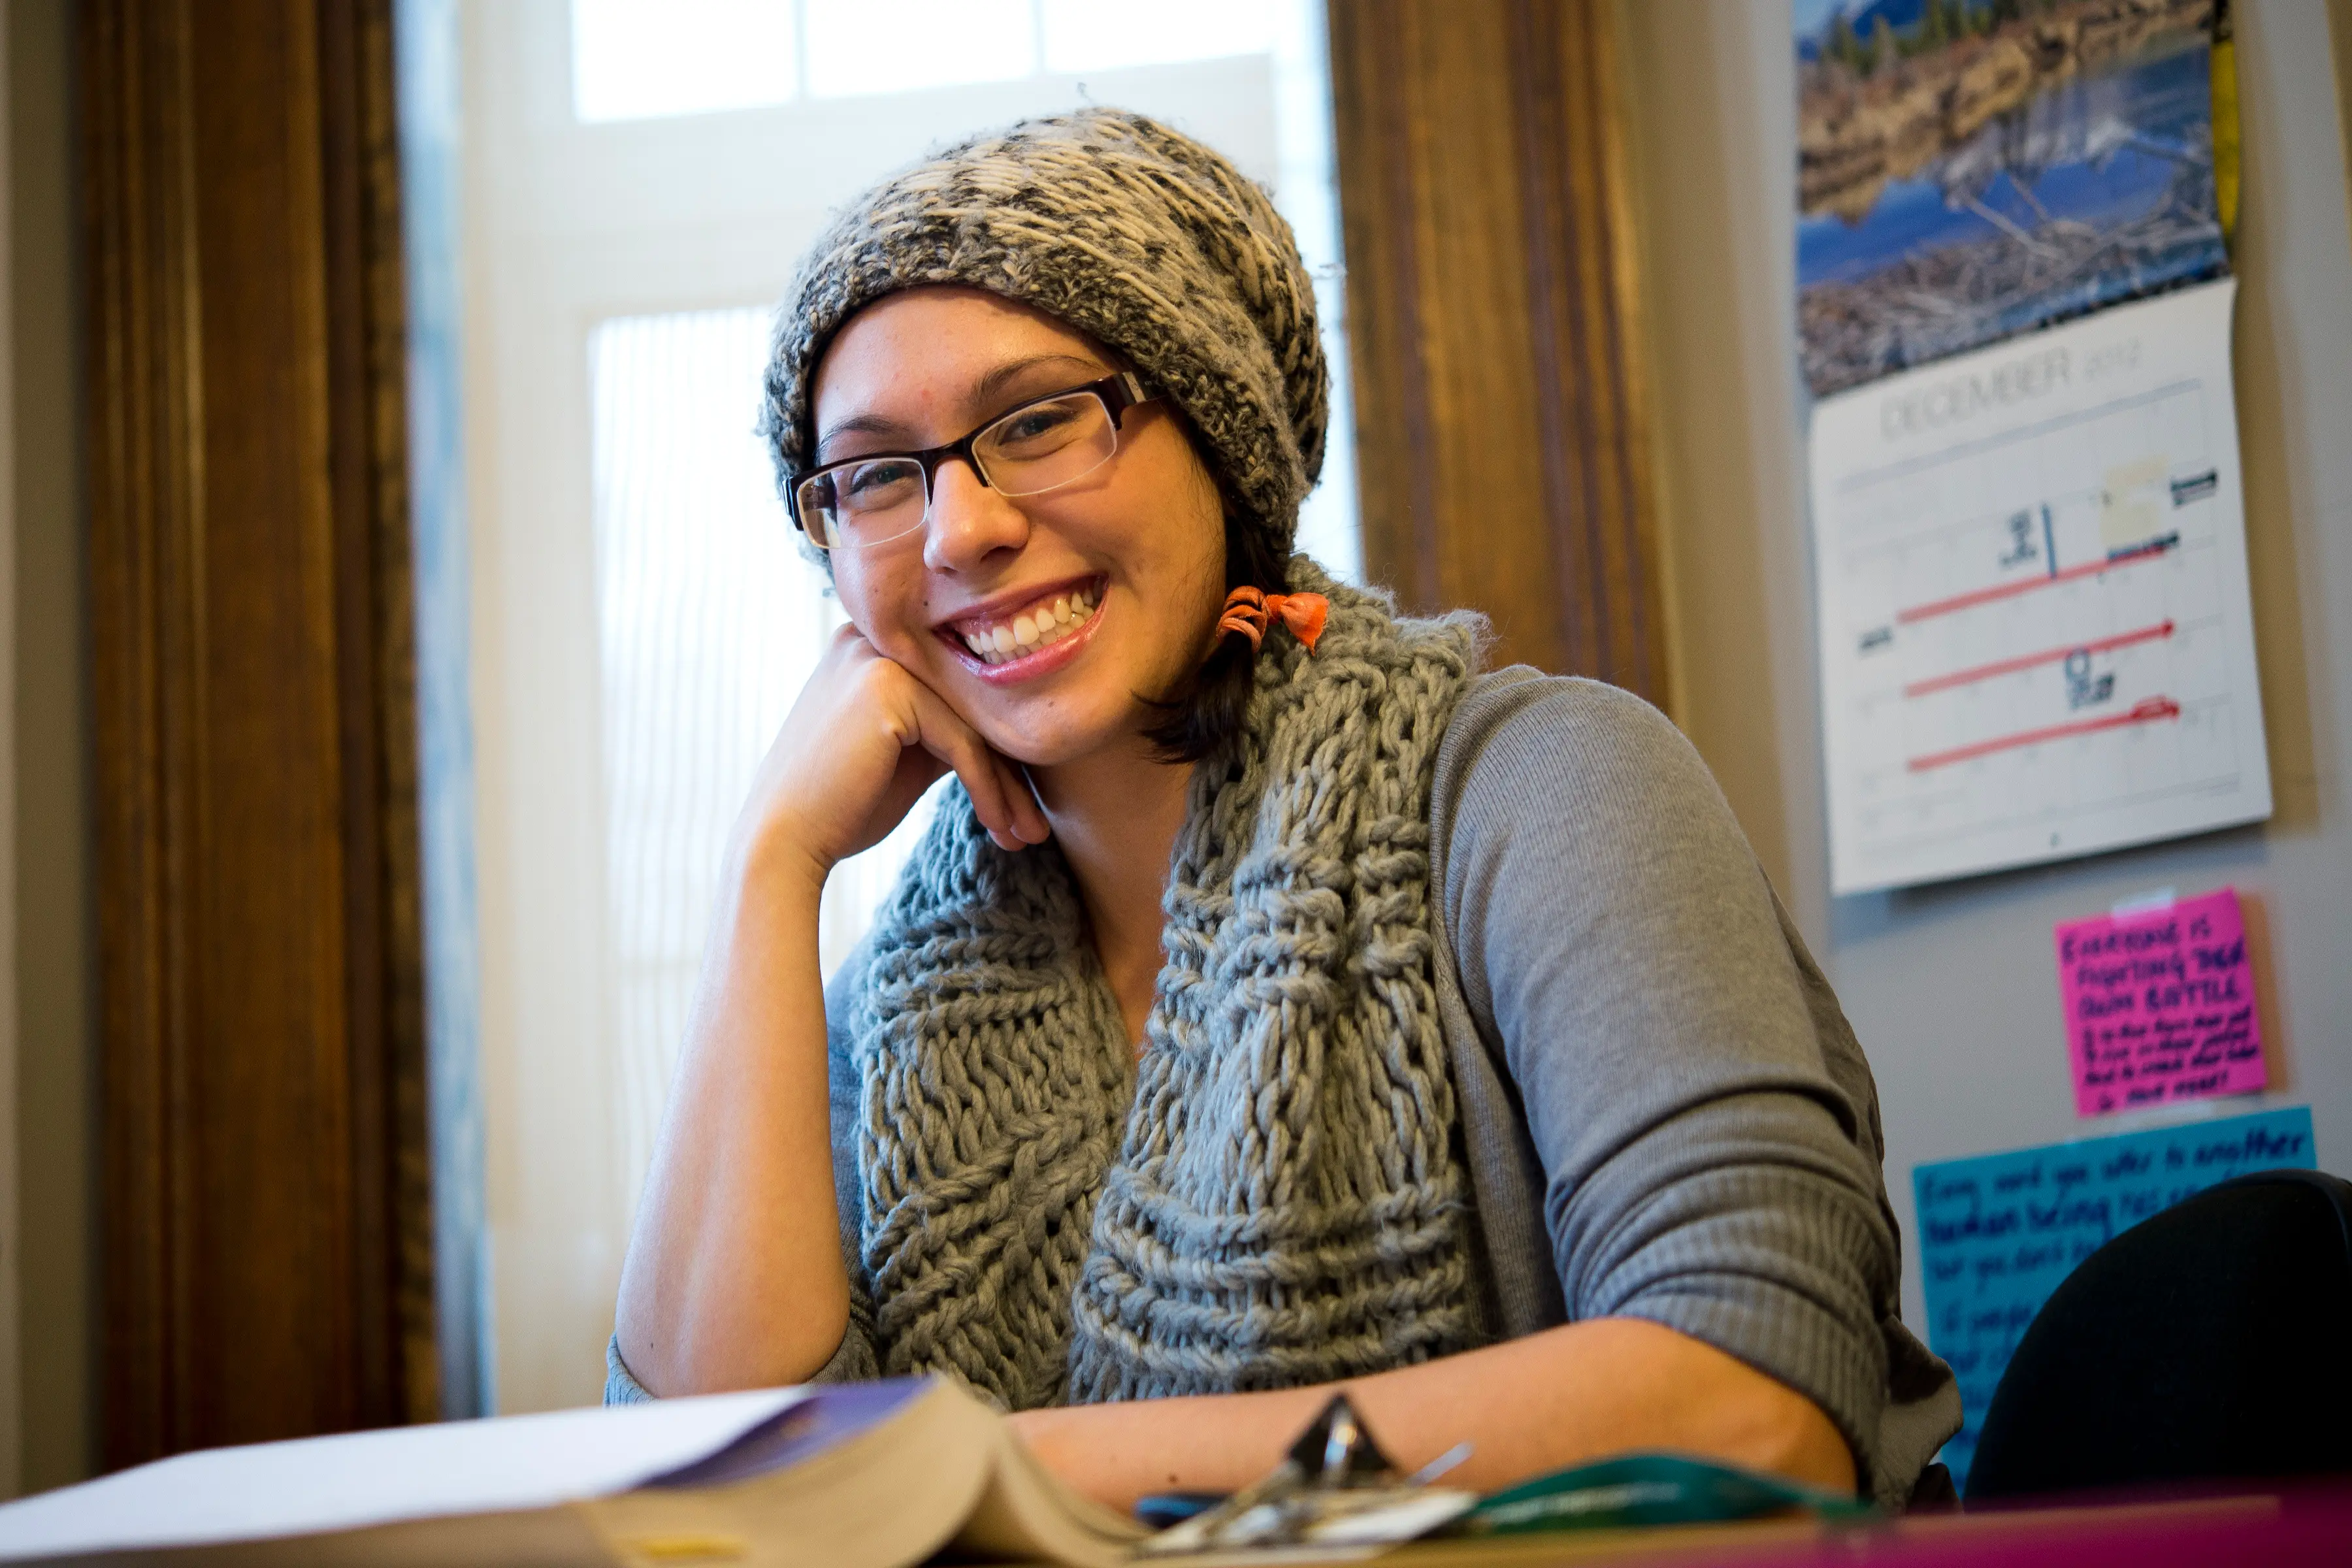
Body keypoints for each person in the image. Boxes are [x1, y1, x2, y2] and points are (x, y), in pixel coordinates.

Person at [608, 107, 1960, 1512]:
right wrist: (770, 865)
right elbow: (709, 1503)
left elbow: (1753, 1404)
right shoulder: (883, 1014)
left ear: (1221, 439)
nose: (962, 530)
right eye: (880, 474)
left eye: (1041, 420)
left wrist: (998, 1478)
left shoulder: (1542, 797)